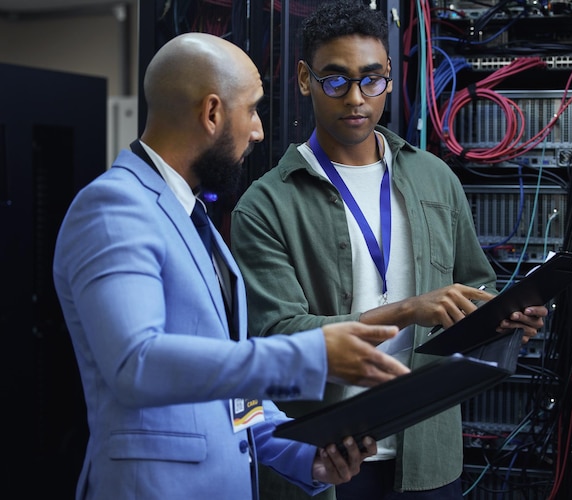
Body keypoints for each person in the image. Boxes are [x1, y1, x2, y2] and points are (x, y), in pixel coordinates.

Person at [52, 32, 411, 500]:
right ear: (212, 113)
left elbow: (231, 399)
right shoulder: (114, 207)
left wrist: (307, 455)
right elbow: (134, 363)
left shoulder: (194, 218)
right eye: (253, 109)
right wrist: (313, 354)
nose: (259, 130)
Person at [230, 2, 548, 499]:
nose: (356, 98)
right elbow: (276, 338)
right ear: (304, 79)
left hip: (429, 456)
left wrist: (501, 318)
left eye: (371, 80)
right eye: (335, 81)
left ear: (390, 81)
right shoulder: (267, 204)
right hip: (327, 461)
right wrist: (404, 311)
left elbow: (474, 283)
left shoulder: (433, 178)